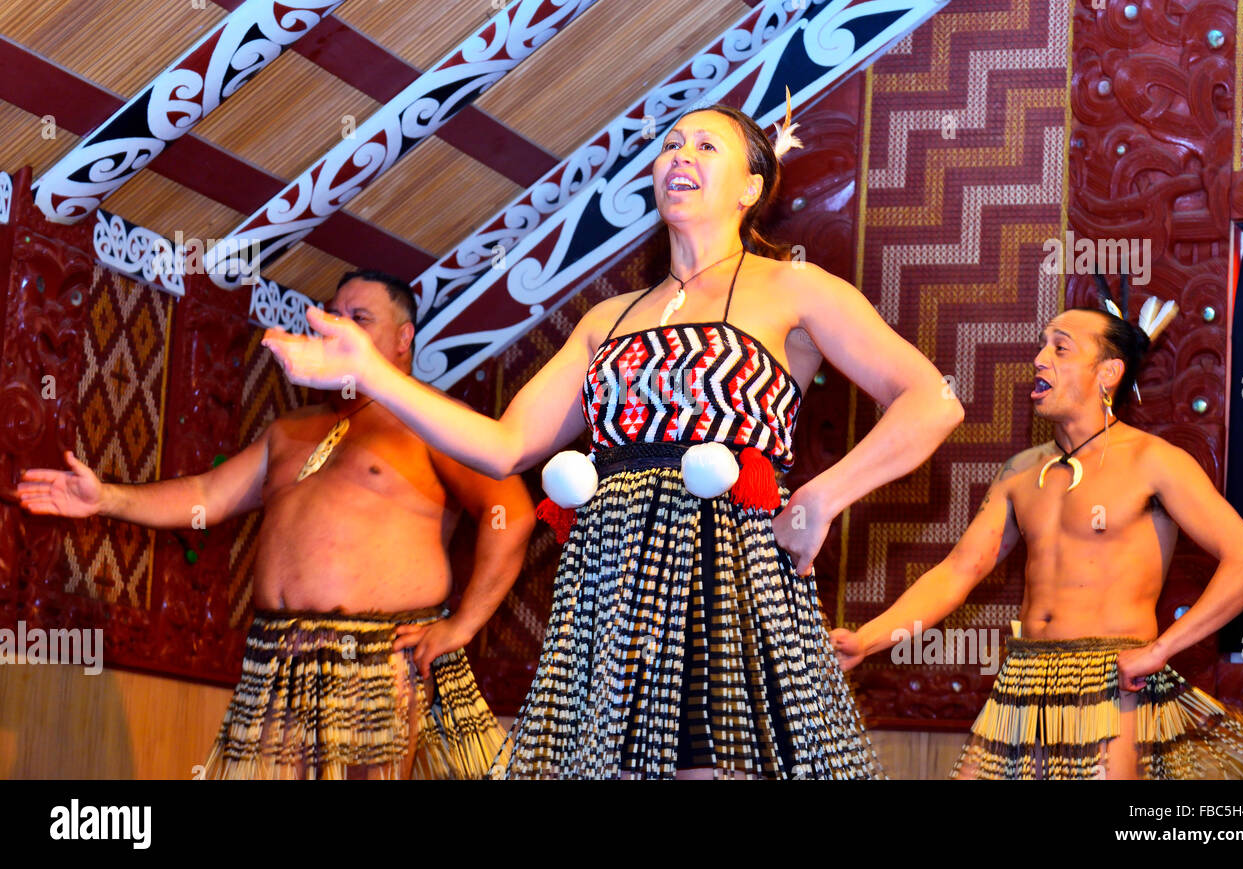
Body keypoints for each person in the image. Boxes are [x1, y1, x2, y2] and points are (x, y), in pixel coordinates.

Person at [261, 104, 964, 779]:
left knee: (713, 767)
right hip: (617, 585)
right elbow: (503, 446)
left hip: (732, 578)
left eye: (703, 146)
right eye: (670, 145)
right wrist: (371, 372)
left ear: (751, 187)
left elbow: (932, 401)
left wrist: (822, 494)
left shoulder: (796, 289)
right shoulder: (608, 317)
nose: (678, 156)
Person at [17, 270, 535, 780]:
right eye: (333, 316)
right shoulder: (290, 428)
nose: (340, 328)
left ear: (404, 338)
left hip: (378, 662)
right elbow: (205, 496)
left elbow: (509, 513)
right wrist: (104, 498)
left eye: (359, 318)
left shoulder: (431, 422)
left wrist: (462, 624)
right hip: (277, 662)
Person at [832, 287, 1243, 779]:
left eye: (1060, 347)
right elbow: (959, 571)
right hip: (1020, 683)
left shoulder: (1154, 462)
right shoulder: (1019, 472)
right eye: (1042, 345)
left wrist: (1160, 650)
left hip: (1111, 687)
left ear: (1108, 373)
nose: (1038, 358)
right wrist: (868, 641)